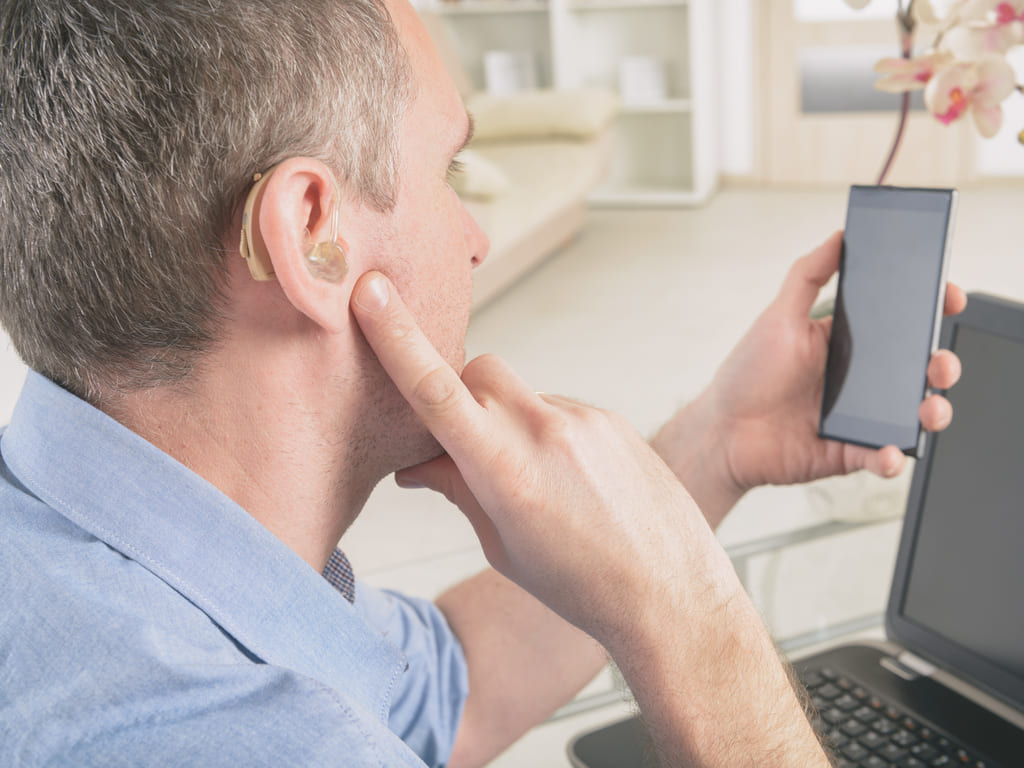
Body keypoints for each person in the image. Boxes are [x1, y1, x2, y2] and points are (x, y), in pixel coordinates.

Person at [0, 0, 964, 766]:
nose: (476, 238)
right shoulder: (240, 738)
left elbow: (438, 690)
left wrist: (714, 442)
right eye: (451, 167)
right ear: (313, 238)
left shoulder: (86, 536)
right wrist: (689, 615)